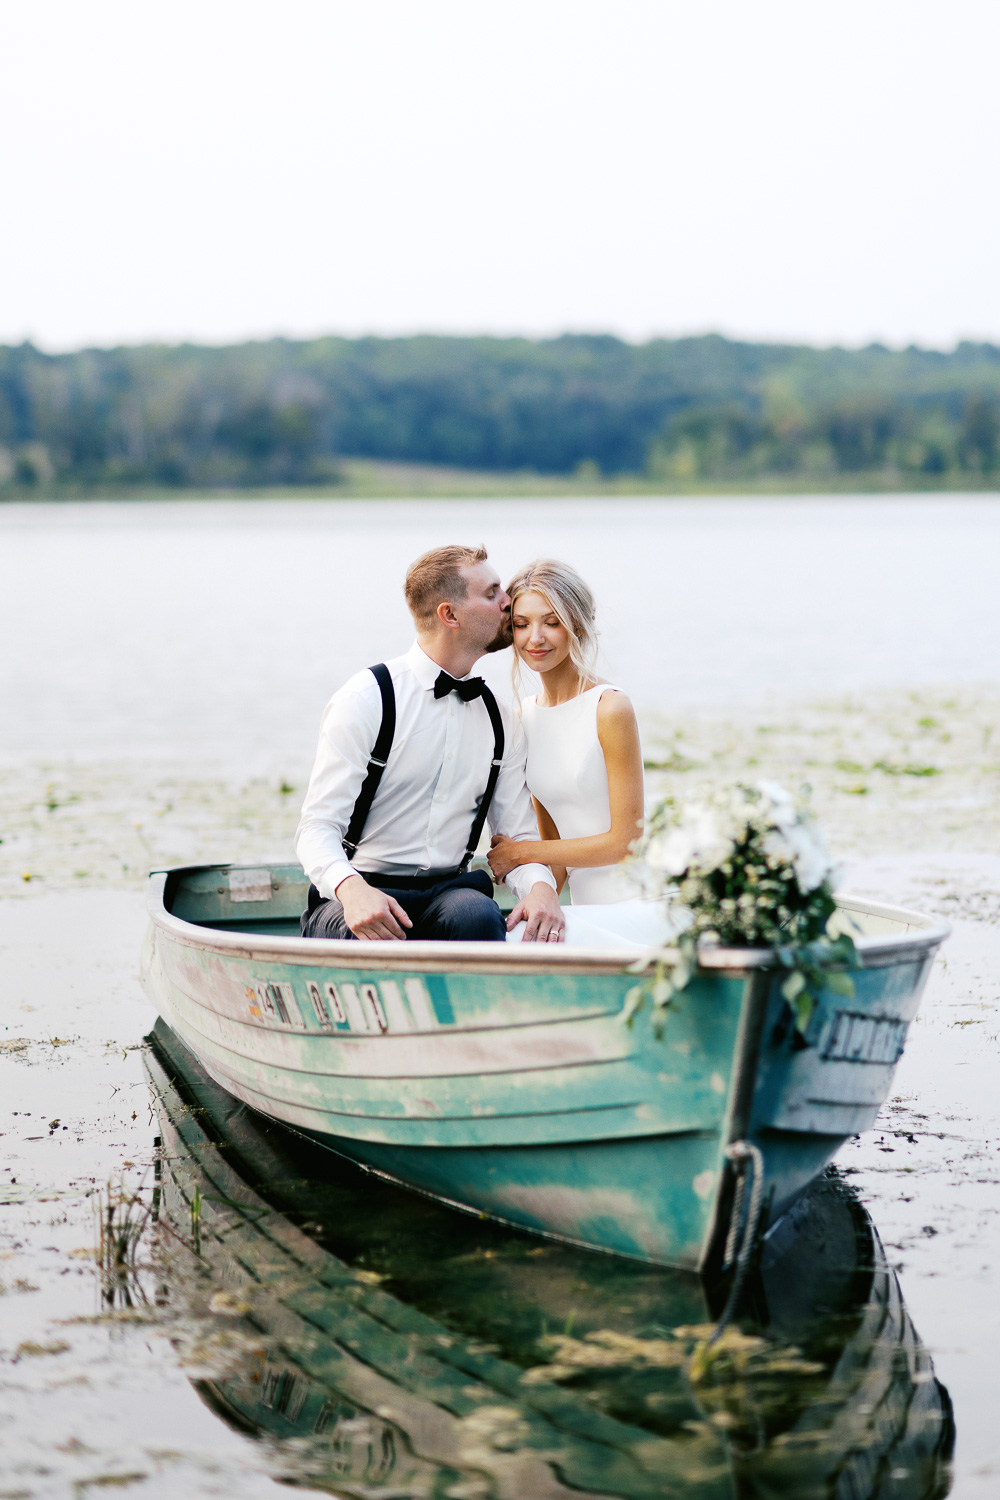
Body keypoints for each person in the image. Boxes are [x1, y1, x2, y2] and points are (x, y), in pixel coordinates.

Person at [296, 544, 566, 943]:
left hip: (450, 893)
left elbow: (518, 836)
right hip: (359, 889)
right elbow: (316, 828)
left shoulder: (501, 719)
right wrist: (350, 890)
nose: (508, 601)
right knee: (363, 933)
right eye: (492, 593)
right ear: (449, 614)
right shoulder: (368, 698)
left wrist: (541, 887)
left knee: (477, 916)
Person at [487, 558, 673, 948]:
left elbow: (626, 842)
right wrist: (534, 891)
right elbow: (554, 848)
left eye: (551, 622)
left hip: (642, 902)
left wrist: (520, 852)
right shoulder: (526, 716)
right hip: (589, 908)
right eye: (522, 624)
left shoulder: (609, 707)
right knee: (511, 932)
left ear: (577, 626)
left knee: (521, 940)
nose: (535, 638)